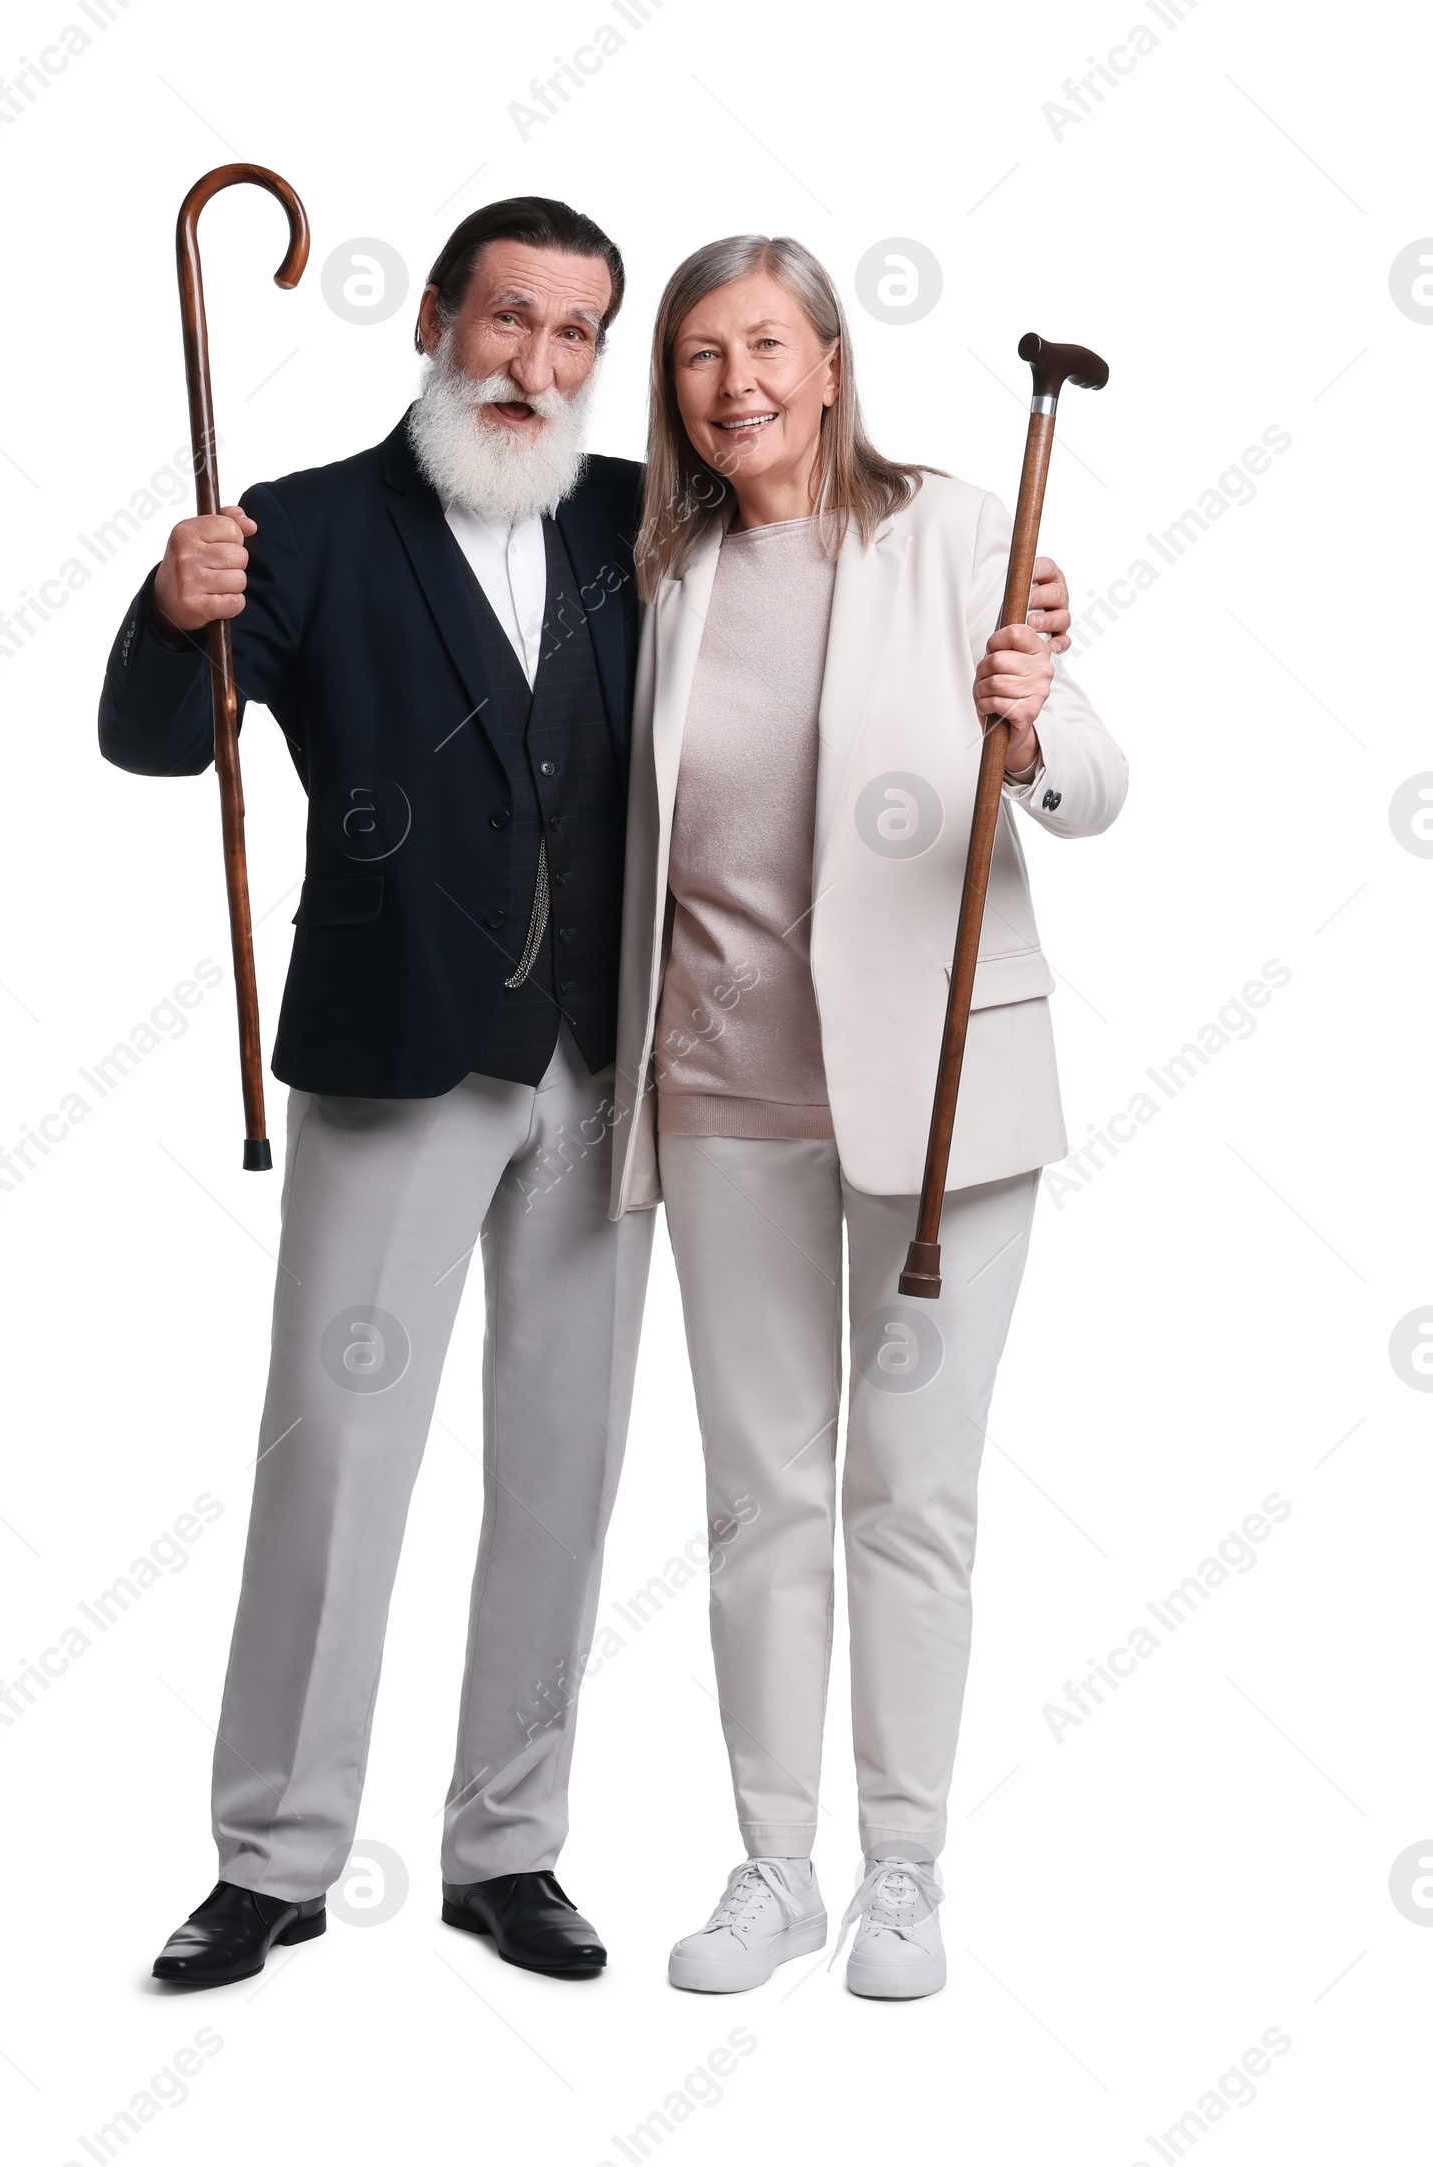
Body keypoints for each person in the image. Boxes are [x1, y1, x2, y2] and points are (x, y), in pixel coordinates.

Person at [99, 193, 1077, 1989]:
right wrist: (174, 611)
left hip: (617, 1075)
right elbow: (163, 743)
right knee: (337, 1469)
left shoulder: (648, 522)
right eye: (508, 323)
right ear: (439, 330)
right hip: (396, 1062)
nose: (539, 365)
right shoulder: (306, 529)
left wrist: (1023, 623)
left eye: (578, 336)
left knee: (564, 1472)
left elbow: (844, 568)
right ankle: (274, 1855)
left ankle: (508, 1845)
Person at [609, 234, 1127, 2000]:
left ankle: (902, 1869)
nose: (733, 381)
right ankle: (775, 1866)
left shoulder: (958, 530)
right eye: (696, 354)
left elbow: (1099, 789)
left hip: (947, 1102)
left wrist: (1032, 720)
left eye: (766, 343)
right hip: (729, 1101)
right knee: (762, 1500)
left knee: (910, 1492)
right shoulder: (663, 573)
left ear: (832, 362)